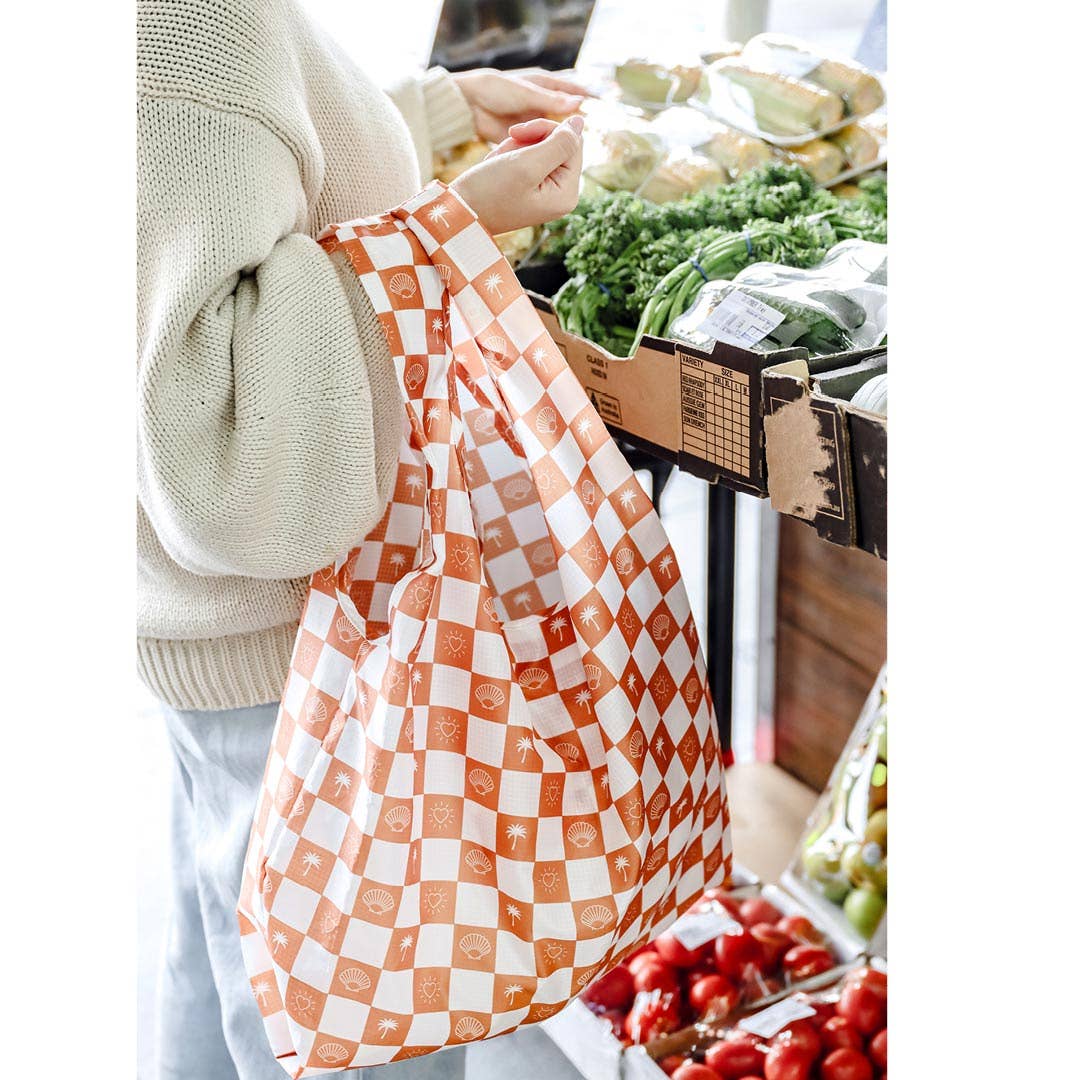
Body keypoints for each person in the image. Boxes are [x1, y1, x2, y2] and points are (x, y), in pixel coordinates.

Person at [136, 2, 586, 1077]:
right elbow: (225, 459)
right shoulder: (192, 24)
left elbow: (219, 191)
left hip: (242, 659)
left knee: (234, 993)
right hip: (320, 665)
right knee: (360, 1036)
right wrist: (447, 233)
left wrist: (425, 118)